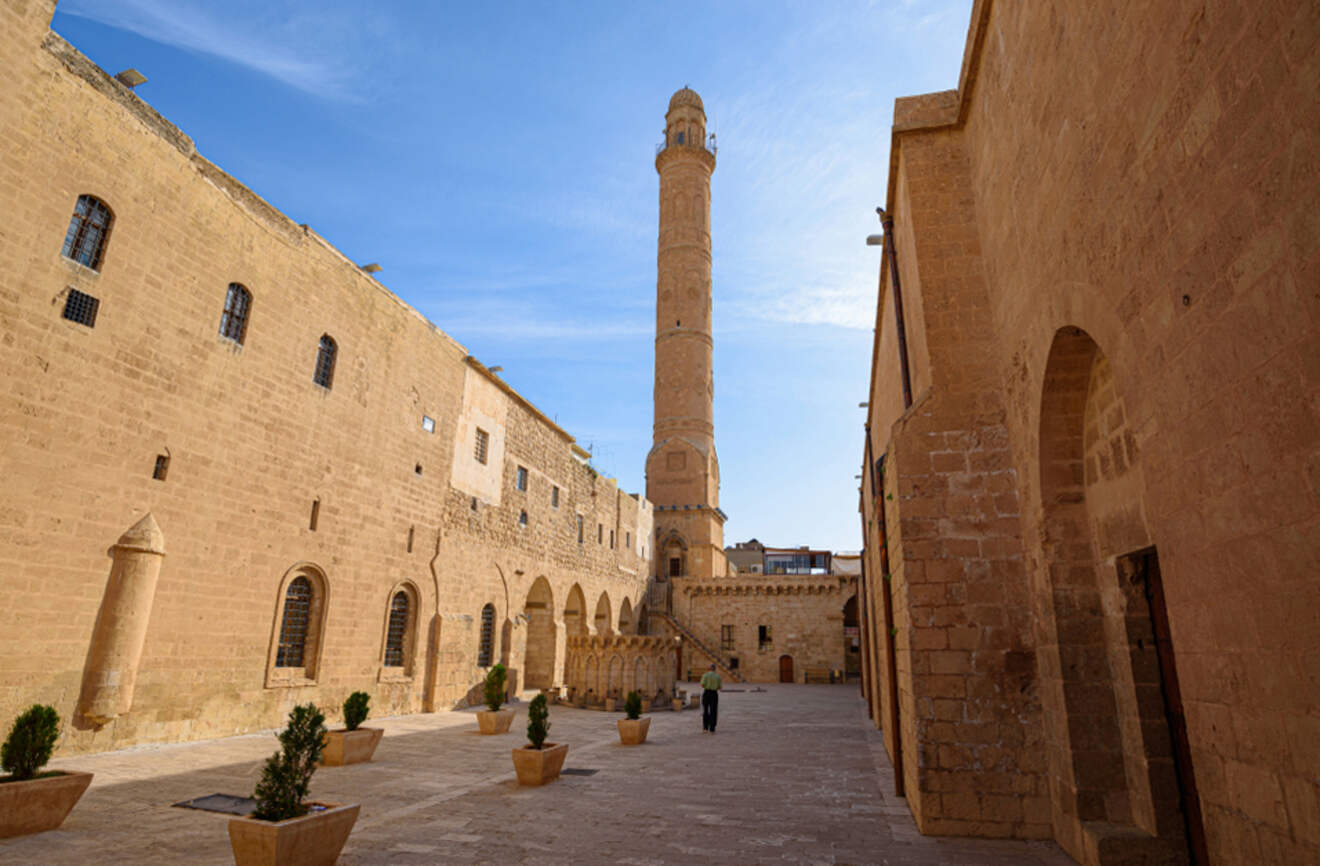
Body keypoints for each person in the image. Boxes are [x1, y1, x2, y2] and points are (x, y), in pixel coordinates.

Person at [700, 663, 722, 734]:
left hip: (707, 693)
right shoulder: (718, 677)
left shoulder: (705, 675)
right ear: (715, 669)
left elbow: (702, 685)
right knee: (713, 710)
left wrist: (708, 685)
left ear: (709, 668)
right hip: (714, 694)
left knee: (705, 710)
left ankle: (705, 728)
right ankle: (712, 728)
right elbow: (720, 687)